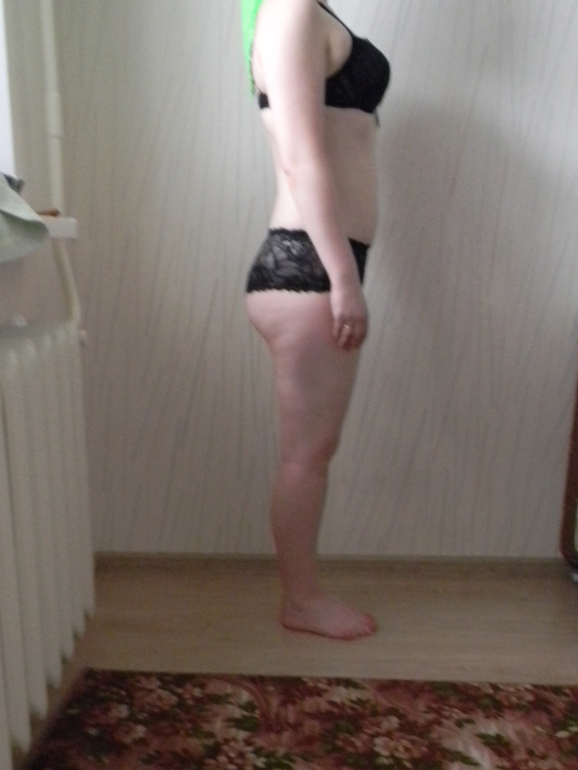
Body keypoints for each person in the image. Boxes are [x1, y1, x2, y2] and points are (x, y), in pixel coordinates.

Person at [242, 0, 390, 639]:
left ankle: (302, 596)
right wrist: (344, 279)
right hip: (310, 268)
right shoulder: (290, 10)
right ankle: (301, 601)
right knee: (306, 456)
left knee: (312, 452)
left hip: (317, 263)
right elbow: (301, 159)